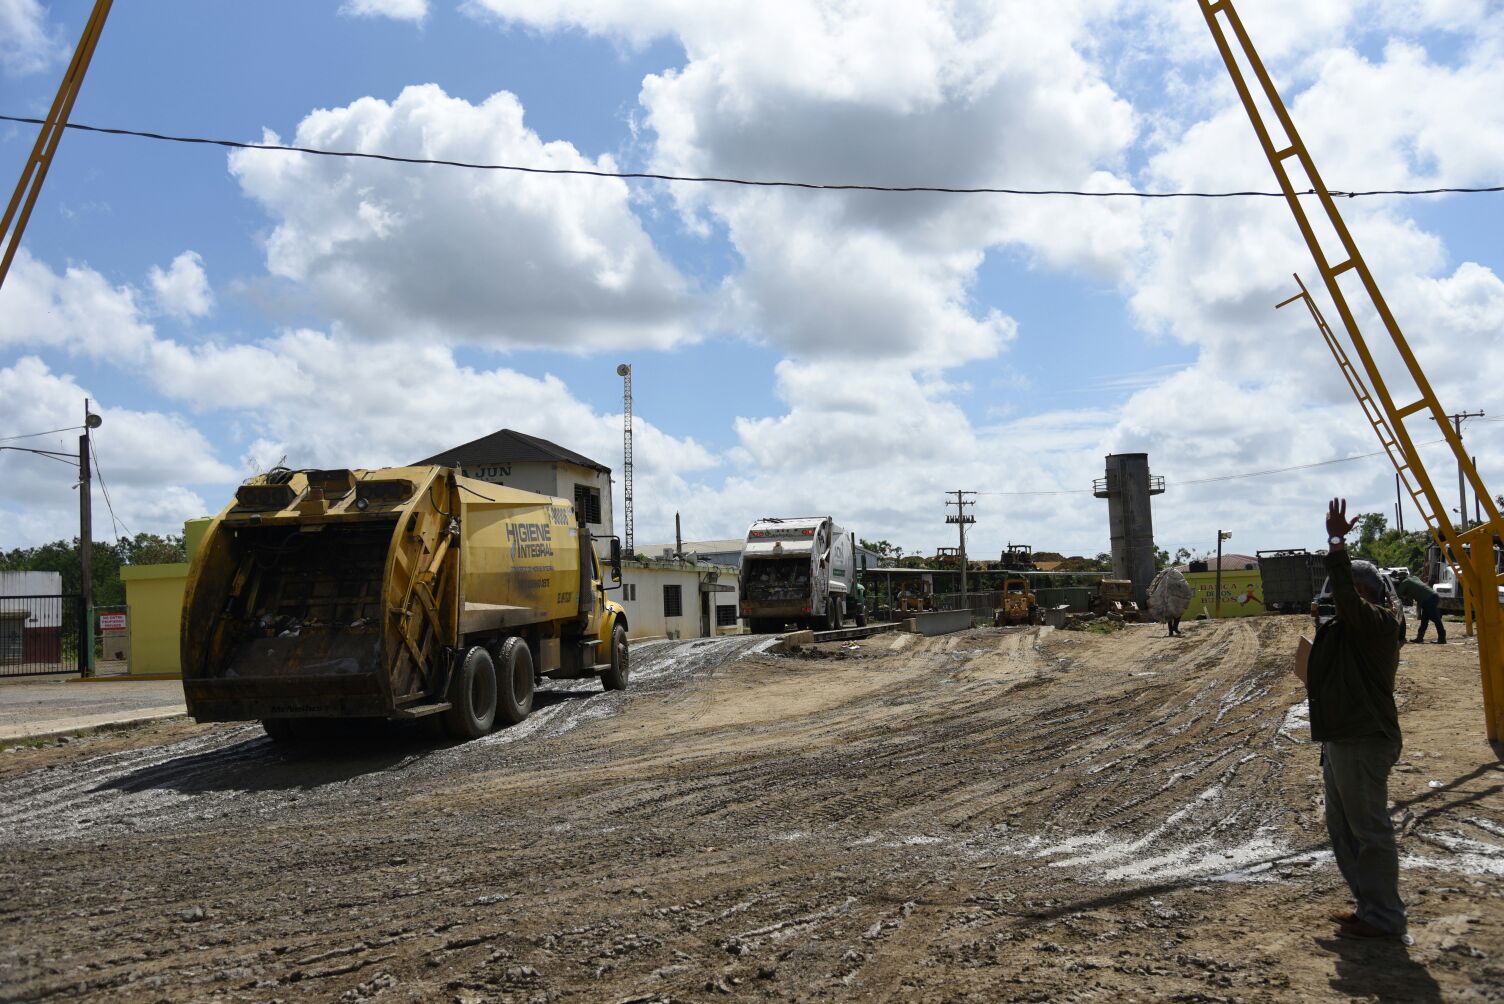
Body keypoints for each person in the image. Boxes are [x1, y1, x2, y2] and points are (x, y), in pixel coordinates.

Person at [1306, 498, 1406, 940]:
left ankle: (1384, 917)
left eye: (1339, 592)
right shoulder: (1346, 630)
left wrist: (1336, 543)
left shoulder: (1377, 625)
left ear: (1362, 595)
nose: (1330, 598)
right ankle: (1369, 908)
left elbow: (1346, 597)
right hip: (1341, 740)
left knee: (1369, 830)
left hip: (1363, 739)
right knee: (1343, 830)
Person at [1399, 570, 1446, 644]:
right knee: (1424, 619)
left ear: (1401, 578)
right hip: (1432, 596)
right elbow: (1416, 588)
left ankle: (1442, 638)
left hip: (1429, 599)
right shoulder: (1414, 577)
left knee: (1435, 618)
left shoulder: (1405, 582)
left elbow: (1397, 594)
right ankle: (1420, 638)